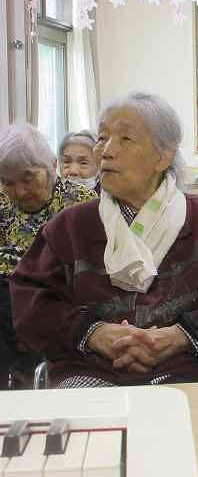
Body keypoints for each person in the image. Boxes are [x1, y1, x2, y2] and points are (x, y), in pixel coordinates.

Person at [10, 93, 198, 388]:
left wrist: (180, 336)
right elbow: (30, 299)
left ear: (163, 155)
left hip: (185, 368)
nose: (106, 151)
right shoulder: (70, 226)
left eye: (125, 139)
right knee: (85, 413)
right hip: (88, 369)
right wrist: (92, 333)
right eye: (102, 138)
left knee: (179, 413)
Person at [0, 124, 97, 389]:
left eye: (29, 178)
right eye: (8, 182)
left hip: (54, 291)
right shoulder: (2, 201)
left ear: (52, 166)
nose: (20, 191)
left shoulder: (80, 202)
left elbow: (85, 264)